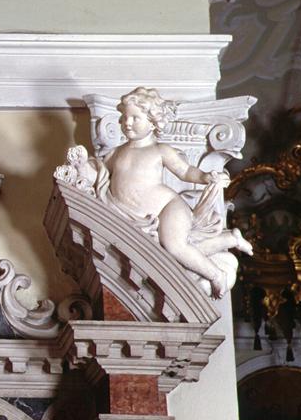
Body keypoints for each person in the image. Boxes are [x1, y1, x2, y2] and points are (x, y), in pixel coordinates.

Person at [102, 87, 253, 298]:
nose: (127, 123)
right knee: (169, 255)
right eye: (124, 118)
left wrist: (205, 177)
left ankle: (215, 274)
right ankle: (229, 239)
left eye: (135, 118)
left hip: (168, 207)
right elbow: (99, 175)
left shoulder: (159, 150)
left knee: (174, 247)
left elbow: (185, 171)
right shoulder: (115, 154)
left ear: (153, 121)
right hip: (135, 217)